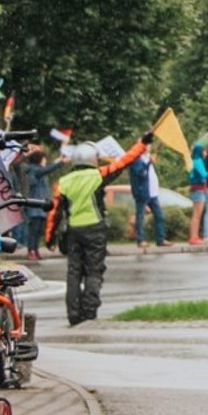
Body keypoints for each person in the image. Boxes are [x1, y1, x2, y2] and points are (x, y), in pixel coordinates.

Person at [47, 131, 153, 325]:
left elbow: (54, 213)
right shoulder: (97, 175)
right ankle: (89, 312)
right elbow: (123, 162)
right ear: (92, 159)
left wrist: (50, 239)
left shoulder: (63, 183)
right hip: (95, 229)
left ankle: (73, 314)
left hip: (73, 231)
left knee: (73, 272)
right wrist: (142, 145)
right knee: (94, 270)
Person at [14, 145, 56, 260]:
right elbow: (48, 169)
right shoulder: (34, 170)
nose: (45, 161)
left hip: (41, 207)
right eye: (44, 159)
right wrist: (61, 162)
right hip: (35, 207)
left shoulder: (38, 172)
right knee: (33, 231)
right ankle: (31, 250)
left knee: (38, 231)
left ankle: (36, 249)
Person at [126, 142, 166, 249]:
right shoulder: (136, 159)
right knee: (140, 216)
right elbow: (141, 173)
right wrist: (149, 163)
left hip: (152, 192)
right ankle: (140, 239)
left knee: (159, 215)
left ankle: (160, 239)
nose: (148, 147)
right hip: (142, 192)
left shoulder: (148, 157)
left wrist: (150, 162)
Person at [185, 143, 208, 247]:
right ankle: (193, 237)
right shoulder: (198, 161)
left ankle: (195, 236)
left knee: (197, 215)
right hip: (198, 189)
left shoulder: (195, 161)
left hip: (197, 189)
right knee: (196, 215)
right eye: (204, 151)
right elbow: (204, 175)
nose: (205, 153)